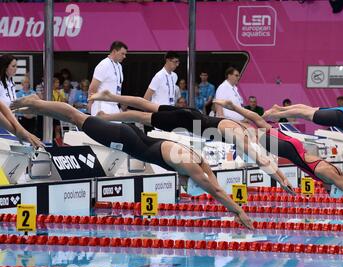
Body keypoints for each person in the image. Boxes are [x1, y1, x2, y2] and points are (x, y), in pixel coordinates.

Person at [11, 94, 253, 230]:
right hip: (126, 141)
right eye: (184, 185)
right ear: (192, 180)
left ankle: (39, 106)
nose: (180, 185)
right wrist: (239, 212)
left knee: (77, 119)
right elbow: (217, 190)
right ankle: (36, 102)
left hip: (135, 137)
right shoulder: (191, 168)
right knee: (77, 116)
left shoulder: (198, 162)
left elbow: (213, 180)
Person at [88, 90, 295, 194]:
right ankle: (105, 117)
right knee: (142, 117)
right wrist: (281, 181)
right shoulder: (243, 140)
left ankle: (110, 96)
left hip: (193, 115)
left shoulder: (246, 128)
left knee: (148, 105)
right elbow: (262, 161)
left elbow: (257, 125)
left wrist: (282, 177)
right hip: (190, 122)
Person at [214, 99, 343, 210]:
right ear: (332, 187)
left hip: (294, 148)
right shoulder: (327, 175)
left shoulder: (329, 174)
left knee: (256, 126)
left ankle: (239, 110)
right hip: (290, 150)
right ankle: (232, 110)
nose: (325, 191)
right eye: (329, 191)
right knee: (254, 130)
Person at [88, 41, 128, 115]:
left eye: (125, 54)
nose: (124, 56)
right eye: (122, 53)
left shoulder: (119, 66)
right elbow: (93, 87)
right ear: (114, 51)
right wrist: (90, 104)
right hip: (102, 104)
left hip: (115, 105)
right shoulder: (103, 64)